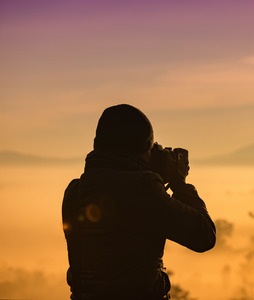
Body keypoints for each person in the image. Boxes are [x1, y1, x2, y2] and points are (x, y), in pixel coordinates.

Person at [62, 104, 216, 300]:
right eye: (150, 148)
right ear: (140, 149)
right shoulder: (143, 188)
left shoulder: (75, 191)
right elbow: (204, 236)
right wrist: (179, 181)